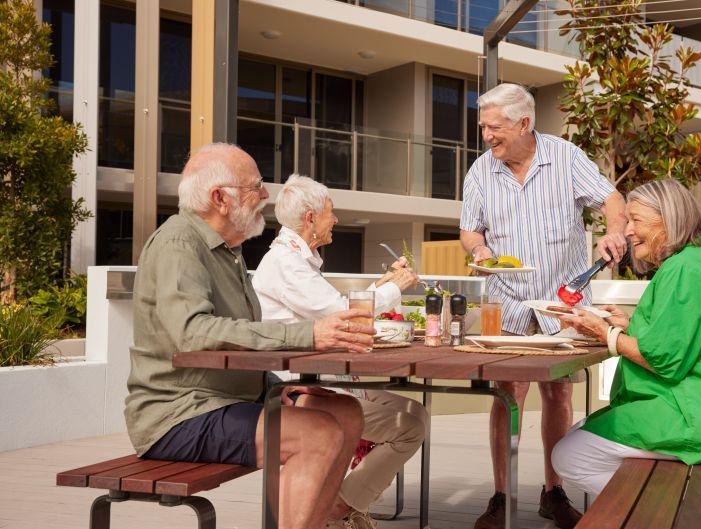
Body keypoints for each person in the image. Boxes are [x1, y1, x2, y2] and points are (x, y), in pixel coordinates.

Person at [124, 143, 377, 529]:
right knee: (317, 433)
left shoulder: (228, 250)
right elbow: (194, 333)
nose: (265, 196)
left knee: (345, 412)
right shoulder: (179, 244)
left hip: (227, 399)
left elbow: (236, 335)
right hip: (178, 414)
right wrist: (307, 335)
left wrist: (275, 385)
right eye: (255, 187)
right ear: (219, 198)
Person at [459, 83, 627, 529]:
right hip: (507, 301)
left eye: (494, 128)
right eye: (483, 127)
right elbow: (470, 231)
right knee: (506, 394)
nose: (487, 136)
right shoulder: (480, 171)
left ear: (524, 124)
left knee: (560, 392)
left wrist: (613, 231)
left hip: (562, 301)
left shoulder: (565, 158)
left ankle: (554, 491)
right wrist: (478, 253)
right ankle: (501, 497)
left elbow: (611, 198)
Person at [552, 178, 701, 496]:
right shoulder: (693, 263)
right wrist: (627, 326)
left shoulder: (685, 269)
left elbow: (664, 360)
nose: (627, 231)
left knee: (569, 455)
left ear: (667, 218)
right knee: (581, 432)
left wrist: (606, 333)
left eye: (635, 220)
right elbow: (679, 337)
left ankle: (661, 512)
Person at [252, 174, 430, 529]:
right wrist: (394, 289)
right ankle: (341, 507)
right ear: (310, 218)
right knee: (409, 427)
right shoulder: (286, 265)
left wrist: (380, 286)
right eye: (330, 213)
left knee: (416, 414)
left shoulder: (296, 260)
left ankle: (345, 501)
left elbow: (334, 308)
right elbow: (343, 314)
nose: (335, 220)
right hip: (303, 388)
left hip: (328, 378)